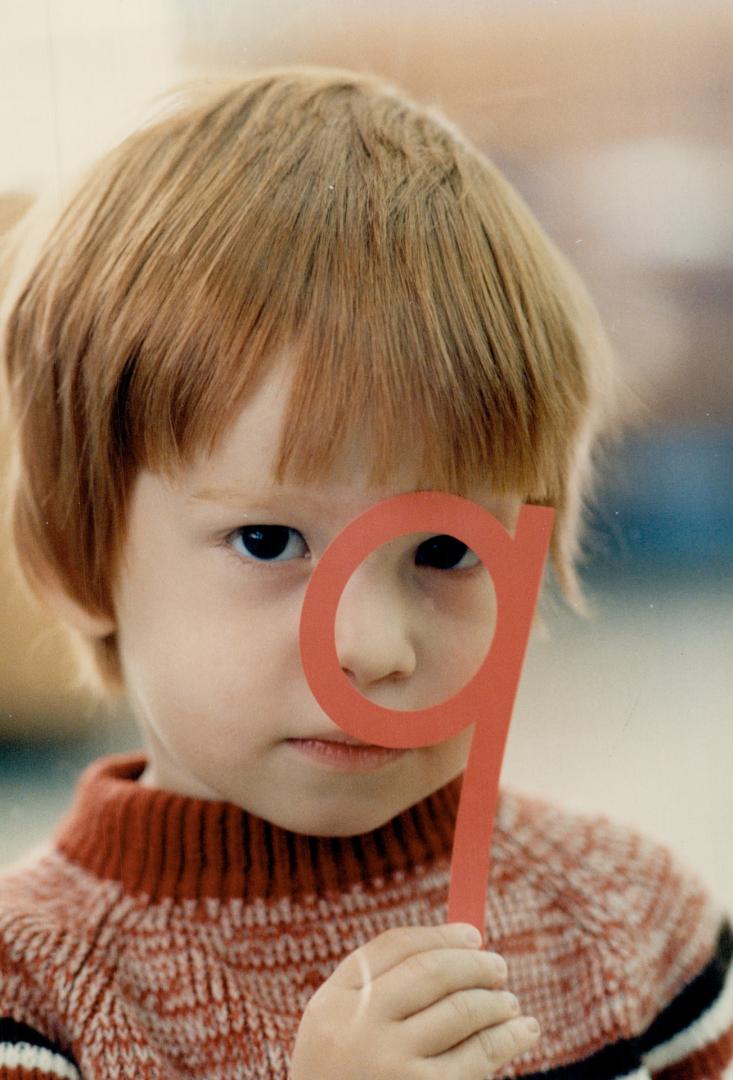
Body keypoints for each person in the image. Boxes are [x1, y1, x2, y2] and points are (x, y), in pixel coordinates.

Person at [0, 67, 730, 1080]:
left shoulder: (638, 922)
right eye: (268, 542)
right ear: (72, 556)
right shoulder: (32, 989)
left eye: (444, 551)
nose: (371, 647)